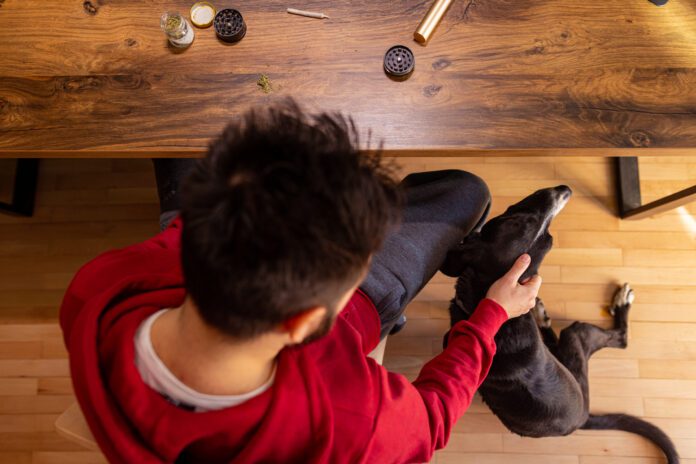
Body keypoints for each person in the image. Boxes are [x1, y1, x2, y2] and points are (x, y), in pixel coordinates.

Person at [60, 101, 542, 463]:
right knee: (469, 192)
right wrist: (491, 316)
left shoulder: (95, 287)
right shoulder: (353, 419)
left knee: (174, 108)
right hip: (345, 329)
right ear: (305, 322)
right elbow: (433, 417)